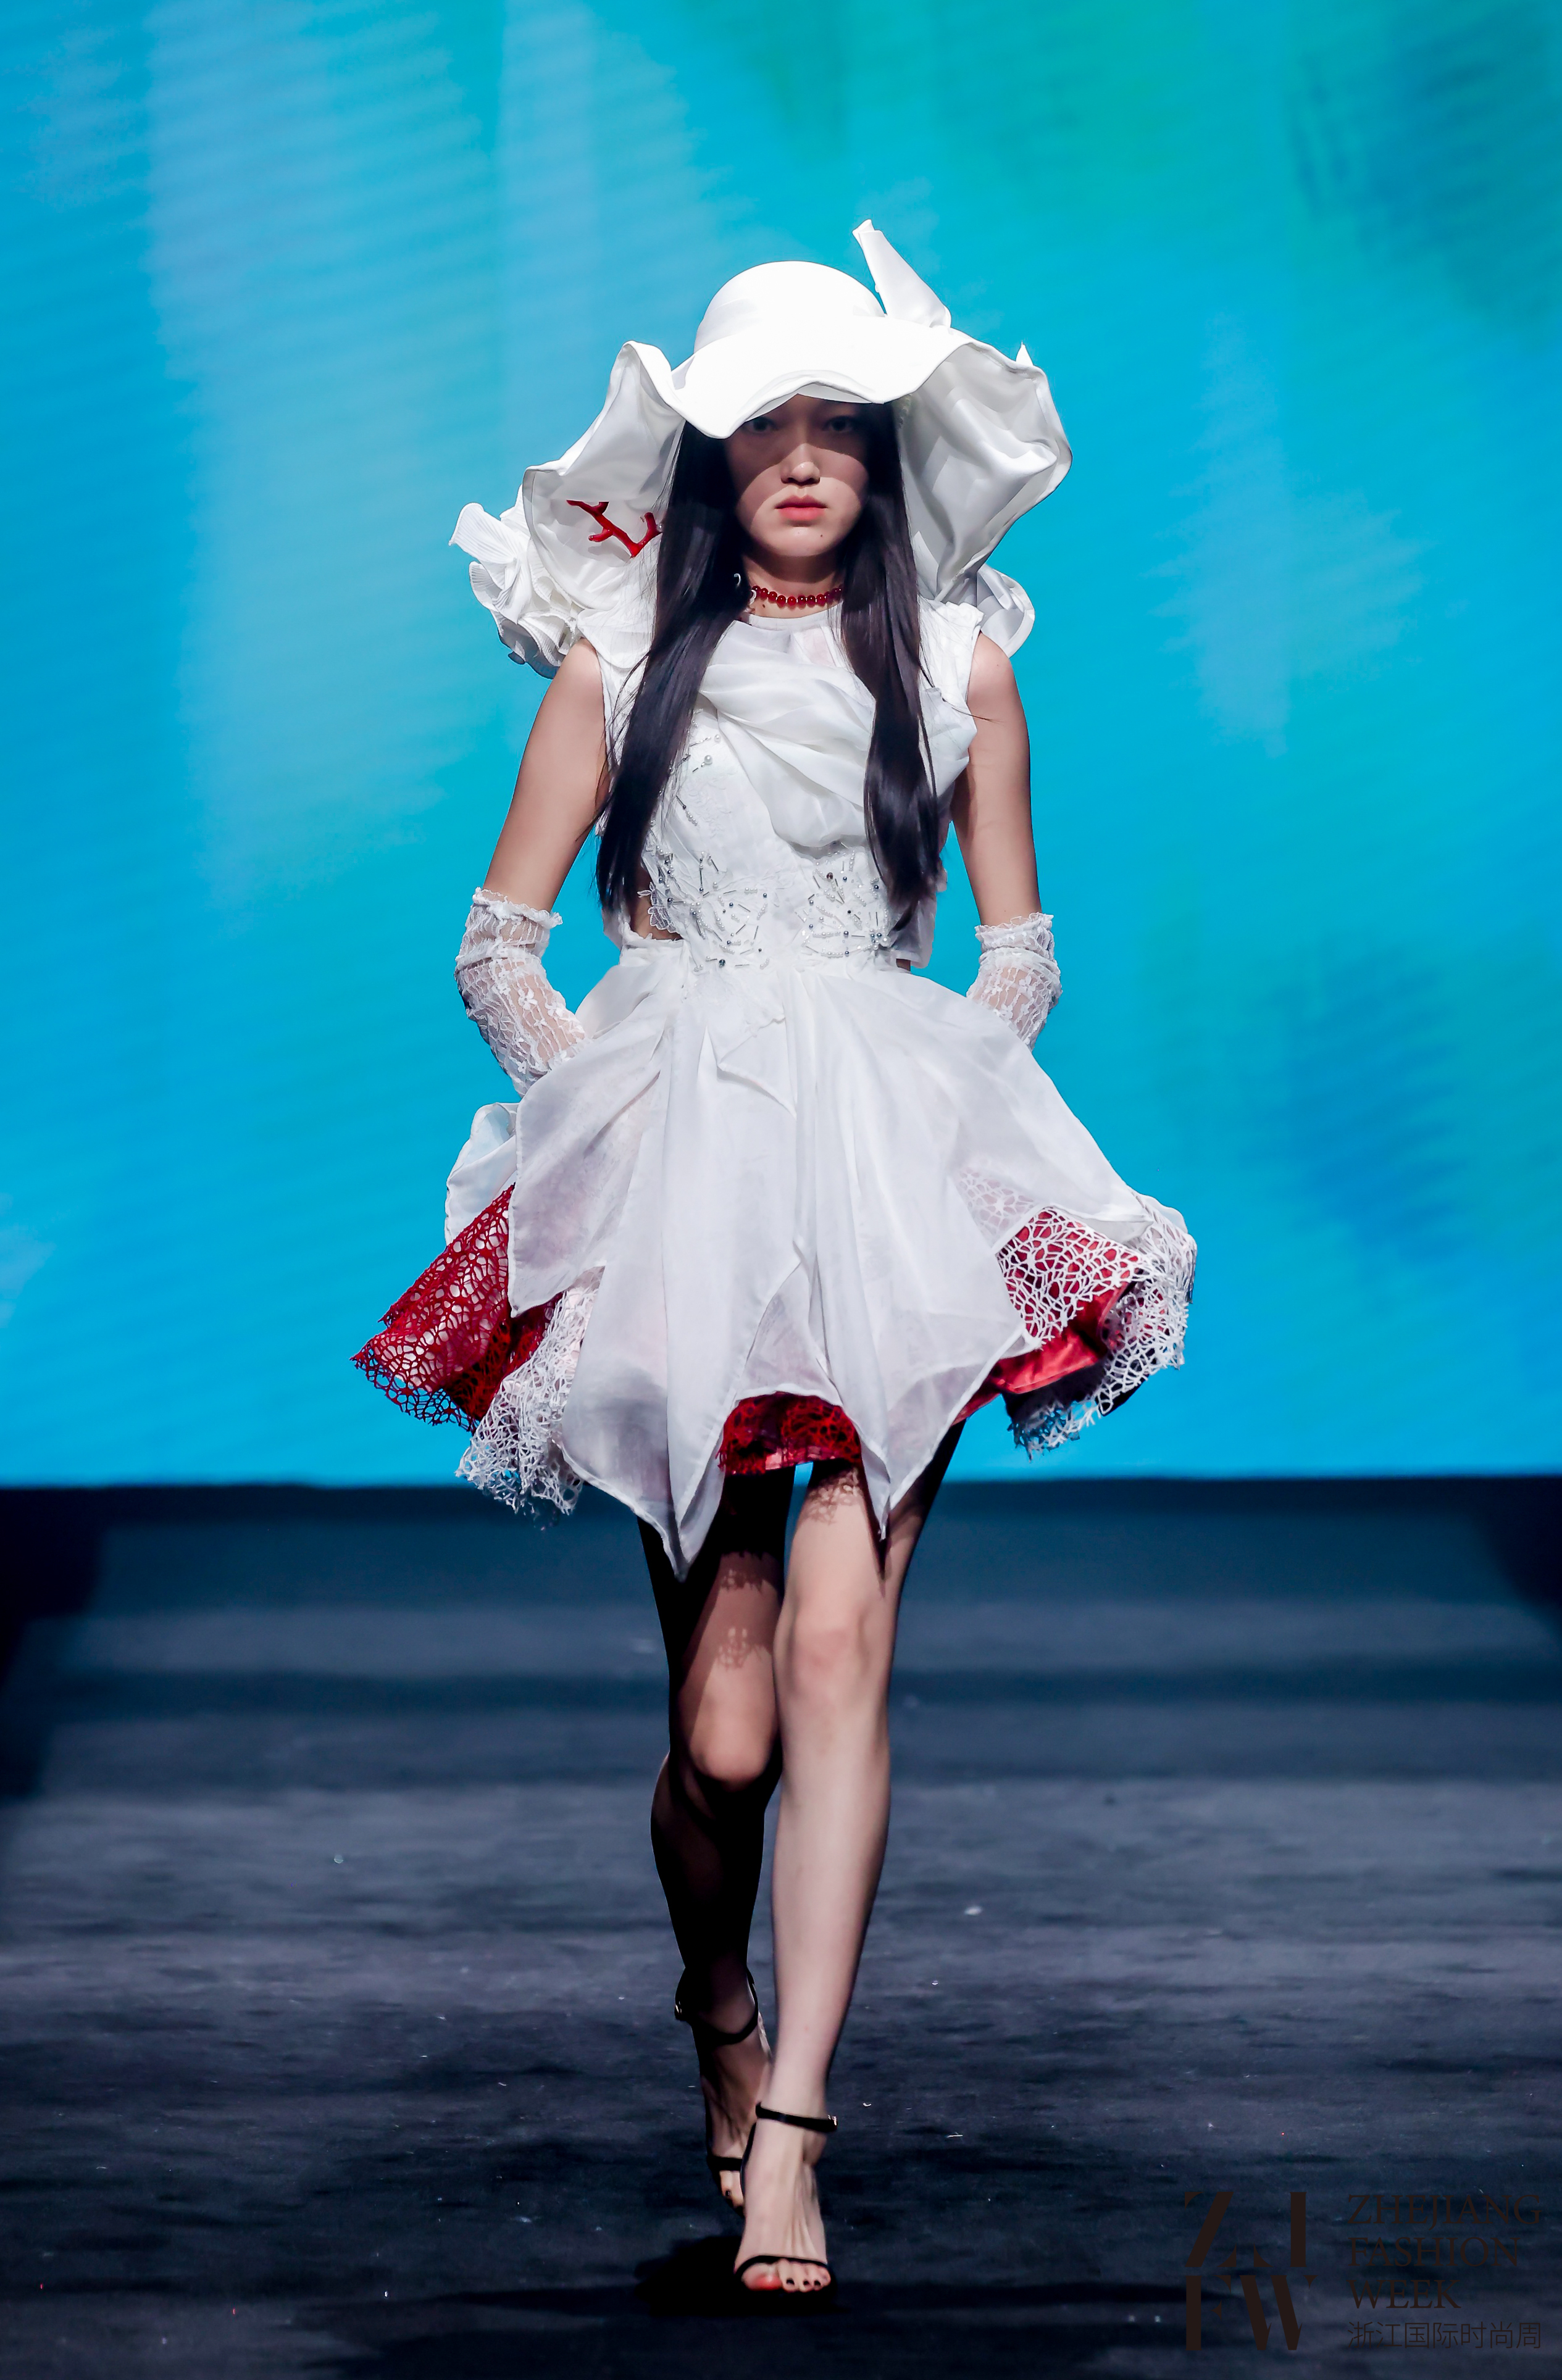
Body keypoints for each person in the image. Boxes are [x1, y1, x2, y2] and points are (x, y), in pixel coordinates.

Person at [356, 225, 1194, 2298]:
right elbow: (496, 946)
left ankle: (799, 2129)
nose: (803, 459)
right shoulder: (620, 657)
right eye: (764, 427)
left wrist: (927, 1119)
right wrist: (618, 1126)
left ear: (883, 458)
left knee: (839, 1659)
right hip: (680, 1204)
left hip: (883, 1201)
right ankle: (716, 2007)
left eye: (839, 425)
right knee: (723, 1737)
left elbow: (1016, 954)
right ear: (713, 458)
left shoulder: (959, 661)